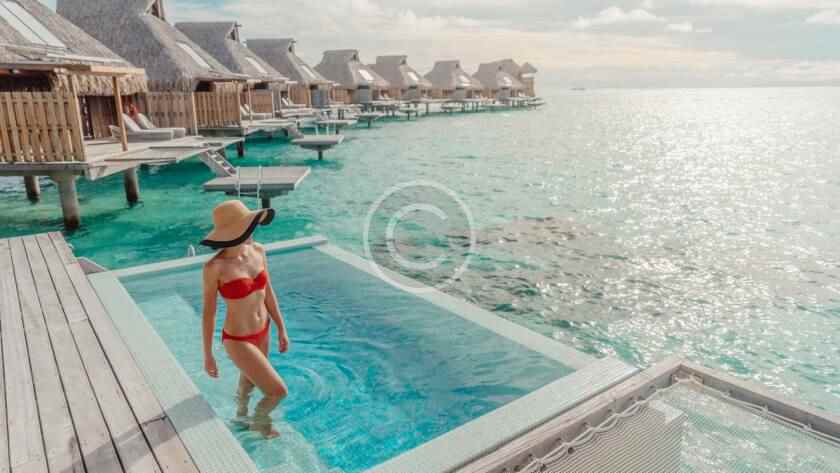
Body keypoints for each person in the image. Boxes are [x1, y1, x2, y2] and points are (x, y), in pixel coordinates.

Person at [200, 200, 290, 438]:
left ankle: (240, 414)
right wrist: (208, 354)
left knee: (249, 380)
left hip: (263, 331)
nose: (254, 228)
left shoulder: (258, 251)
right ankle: (260, 423)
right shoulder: (214, 268)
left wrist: (281, 327)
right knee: (277, 392)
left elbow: (268, 292)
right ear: (236, 231)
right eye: (249, 225)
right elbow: (209, 313)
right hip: (238, 339)